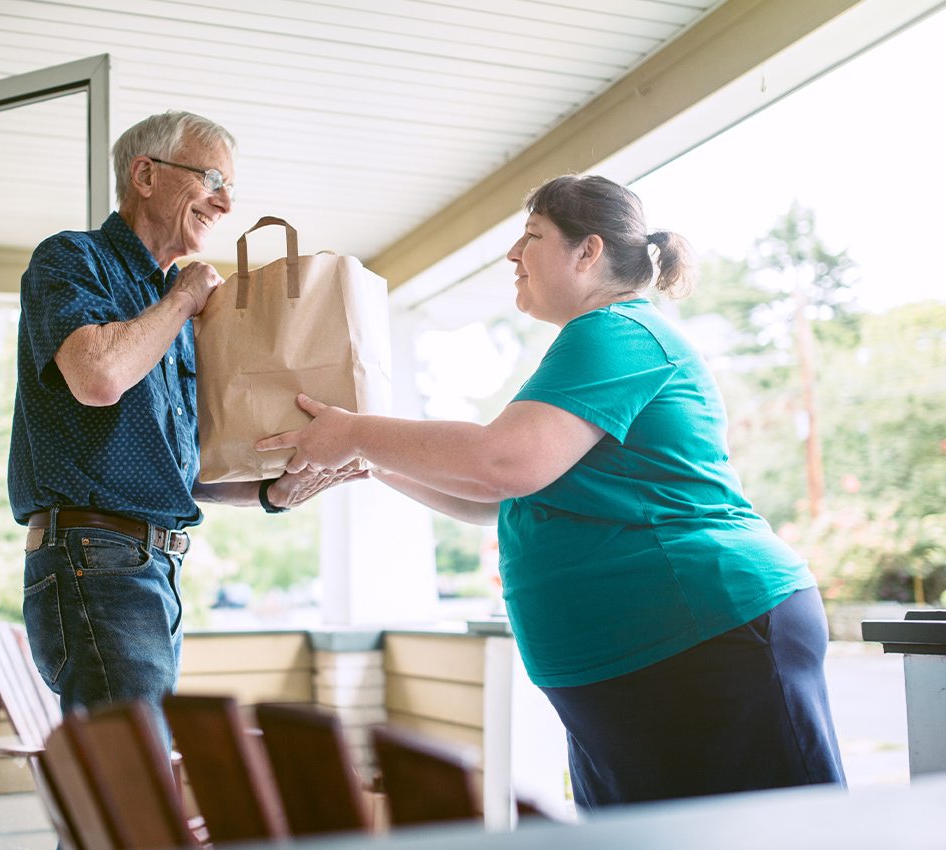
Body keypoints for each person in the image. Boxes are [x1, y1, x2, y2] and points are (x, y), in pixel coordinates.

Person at [258, 174, 846, 807]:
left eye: (533, 236)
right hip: (638, 662)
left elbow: (503, 462)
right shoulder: (593, 343)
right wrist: (374, 465)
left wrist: (358, 433)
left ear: (587, 252)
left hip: (705, 634)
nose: (513, 254)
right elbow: (499, 500)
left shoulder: (617, 332)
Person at [7, 111, 354, 738]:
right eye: (213, 179)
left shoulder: (175, 316)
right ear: (145, 174)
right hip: (96, 557)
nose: (225, 202)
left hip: (145, 564)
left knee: (124, 797)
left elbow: (177, 473)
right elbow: (97, 377)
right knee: (130, 797)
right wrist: (182, 301)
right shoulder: (73, 260)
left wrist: (274, 492)